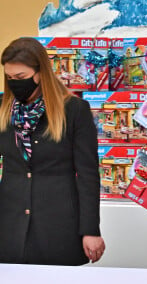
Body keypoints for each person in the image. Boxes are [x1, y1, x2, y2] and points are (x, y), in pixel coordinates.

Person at [0, 37, 105, 265]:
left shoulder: (74, 110)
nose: (15, 83)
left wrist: (90, 230)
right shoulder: (3, 109)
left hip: (58, 226)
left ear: (41, 73)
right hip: (10, 225)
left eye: (21, 78)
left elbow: (88, 174)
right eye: (9, 79)